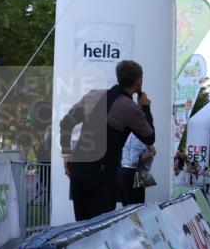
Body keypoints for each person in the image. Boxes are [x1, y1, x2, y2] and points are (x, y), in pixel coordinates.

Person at [59, 60, 155, 221]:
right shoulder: (132, 109)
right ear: (139, 81)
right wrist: (145, 107)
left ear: (118, 78)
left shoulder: (93, 95)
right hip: (102, 177)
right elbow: (150, 137)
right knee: (100, 232)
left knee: (81, 228)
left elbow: (65, 123)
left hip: (79, 169)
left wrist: (66, 156)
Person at [117, 133, 156, 205]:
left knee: (136, 206)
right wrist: (151, 154)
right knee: (134, 207)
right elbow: (133, 160)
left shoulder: (140, 137)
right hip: (132, 173)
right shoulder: (138, 137)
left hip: (134, 172)